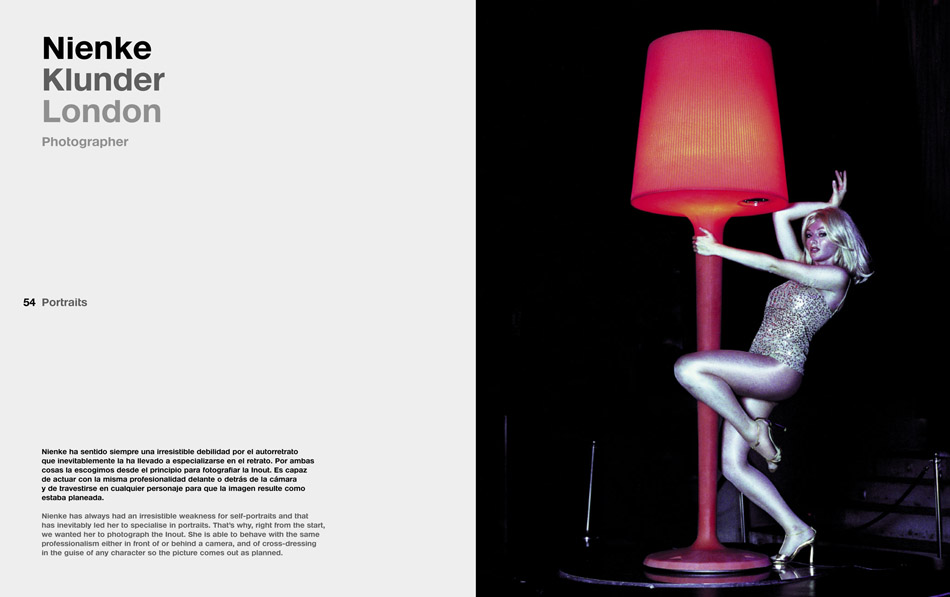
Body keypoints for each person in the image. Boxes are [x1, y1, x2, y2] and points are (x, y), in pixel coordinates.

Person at [673, 171, 872, 567]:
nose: (812, 240)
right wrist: (828, 207)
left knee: (688, 369)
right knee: (732, 466)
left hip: (779, 369)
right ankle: (796, 529)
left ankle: (753, 431)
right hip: (759, 367)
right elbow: (780, 215)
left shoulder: (835, 278)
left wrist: (717, 250)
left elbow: (771, 265)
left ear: (841, 241)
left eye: (823, 234)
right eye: (810, 234)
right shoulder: (804, 263)